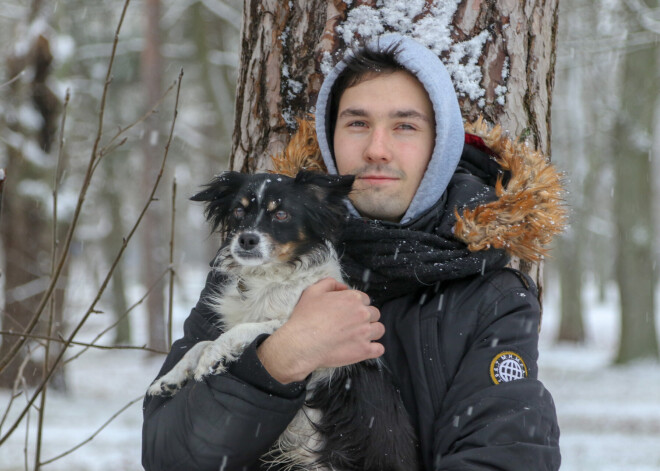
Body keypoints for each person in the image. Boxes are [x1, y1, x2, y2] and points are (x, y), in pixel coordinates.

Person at [142, 33, 563, 470]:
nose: (376, 150)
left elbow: (505, 457)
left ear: (440, 144)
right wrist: (277, 358)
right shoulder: (251, 270)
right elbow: (170, 455)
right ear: (330, 137)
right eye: (357, 123)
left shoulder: (488, 297)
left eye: (405, 126)